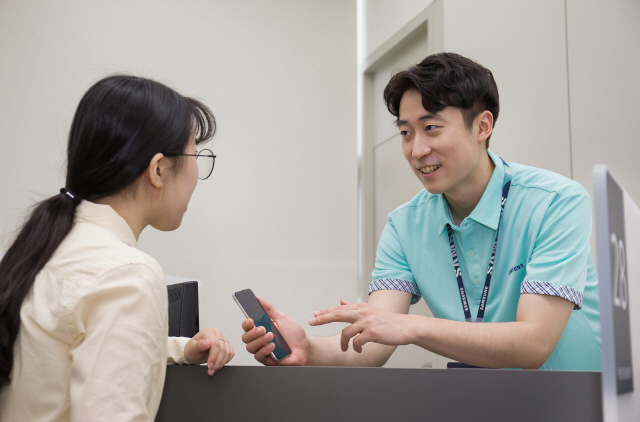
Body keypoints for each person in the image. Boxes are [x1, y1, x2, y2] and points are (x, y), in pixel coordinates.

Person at [241, 52, 601, 371]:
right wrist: (307, 349)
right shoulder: (404, 224)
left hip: (580, 402)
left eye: (430, 128)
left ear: (482, 126)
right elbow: (376, 341)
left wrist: (412, 328)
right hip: (487, 406)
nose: (417, 150)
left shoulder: (557, 201)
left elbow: (534, 344)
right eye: (406, 133)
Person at [0, 75, 234, 421]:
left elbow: (72, 345)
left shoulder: (46, 248)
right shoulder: (128, 274)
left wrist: (182, 348)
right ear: (158, 169)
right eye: (195, 153)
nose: (198, 171)